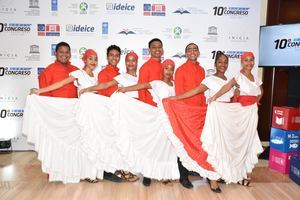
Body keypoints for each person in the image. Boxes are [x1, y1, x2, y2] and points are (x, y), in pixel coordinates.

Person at [169, 52, 232, 193]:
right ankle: (211, 180)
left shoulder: (229, 80)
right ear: (215, 64)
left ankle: (214, 174)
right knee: (210, 147)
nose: (223, 64)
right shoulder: (209, 79)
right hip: (210, 116)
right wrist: (176, 98)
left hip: (222, 118)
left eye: (225, 62)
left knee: (220, 148)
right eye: (220, 62)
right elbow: (195, 91)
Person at [206, 51, 264, 186]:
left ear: (254, 62)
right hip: (240, 112)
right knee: (238, 141)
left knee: (248, 142)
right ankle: (229, 173)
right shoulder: (238, 77)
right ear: (241, 62)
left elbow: (261, 91)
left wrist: (256, 101)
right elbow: (226, 87)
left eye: (251, 60)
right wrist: (214, 97)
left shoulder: (256, 79)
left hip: (251, 114)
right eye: (246, 60)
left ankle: (242, 174)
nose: (249, 63)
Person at [173, 43, 206, 189]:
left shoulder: (202, 70)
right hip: (186, 113)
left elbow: (202, 92)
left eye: (195, 49)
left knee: (196, 144)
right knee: (184, 144)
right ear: (186, 53)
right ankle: (183, 176)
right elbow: (179, 94)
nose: (192, 52)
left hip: (199, 113)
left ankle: (193, 168)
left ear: (198, 52)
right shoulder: (180, 70)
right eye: (189, 50)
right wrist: (183, 113)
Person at [135, 38, 164, 186]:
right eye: (154, 47)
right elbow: (141, 88)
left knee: (161, 142)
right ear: (149, 50)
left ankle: (159, 172)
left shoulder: (166, 66)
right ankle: (147, 173)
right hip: (150, 109)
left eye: (159, 47)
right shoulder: (145, 67)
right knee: (149, 143)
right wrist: (146, 108)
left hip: (163, 110)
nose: (157, 49)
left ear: (162, 49)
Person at [31, 49, 98, 96]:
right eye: (90, 58)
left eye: (95, 59)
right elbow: (61, 83)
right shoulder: (78, 73)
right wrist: (39, 91)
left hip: (93, 108)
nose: (93, 62)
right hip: (84, 108)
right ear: (85, 60)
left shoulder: (96, 76)